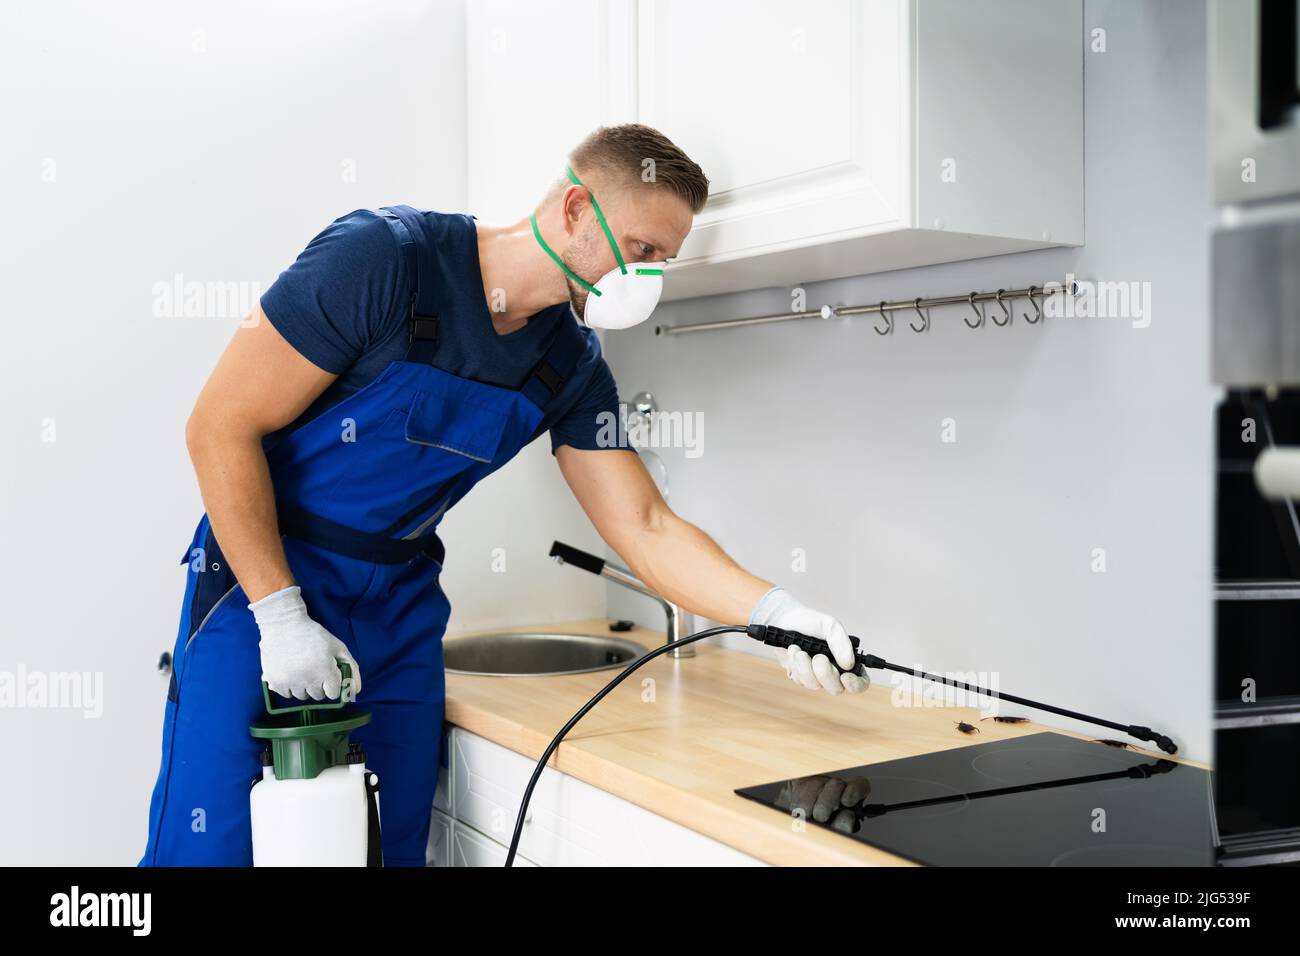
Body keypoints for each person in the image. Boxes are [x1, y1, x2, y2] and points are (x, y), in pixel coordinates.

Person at [140, 124, 868, 866]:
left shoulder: (571, 367)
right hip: (260, 584)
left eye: (665, 263)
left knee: (383, 847)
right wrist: (281, 615)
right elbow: (220, 425)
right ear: (577, 210)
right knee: (214, 842)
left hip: (396, 607)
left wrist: (776, 613)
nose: (650, 278)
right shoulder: (385, 259)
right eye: (644, 250)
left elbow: (644, 525)